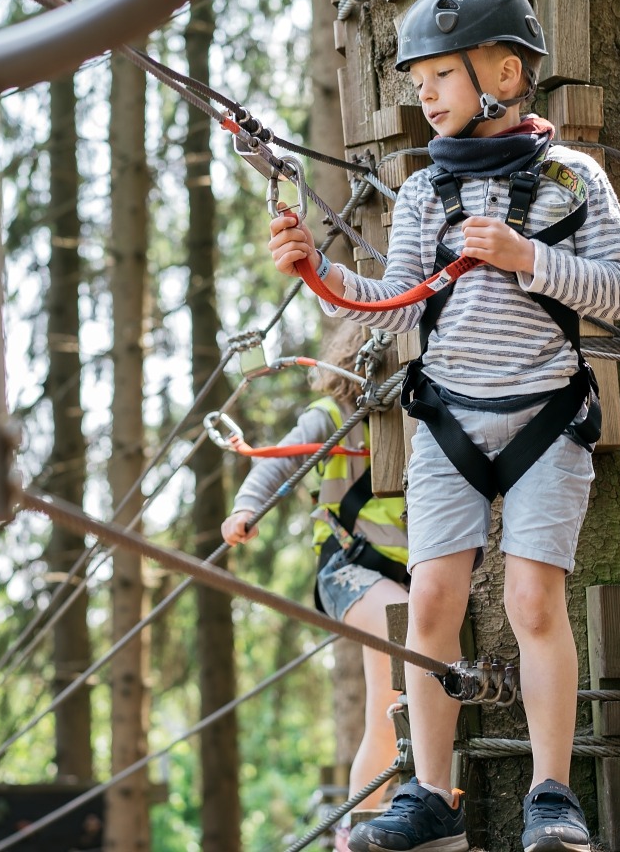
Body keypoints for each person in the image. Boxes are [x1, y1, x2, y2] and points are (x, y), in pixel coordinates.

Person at [268, 0, 620, 852]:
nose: (423, 95)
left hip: (546, 414)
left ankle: (553, 793)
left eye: (438, 76)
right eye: (418, 80)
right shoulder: (422, 192)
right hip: (449, 422)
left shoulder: (573, 179)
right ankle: (431, 791)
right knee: (431, 598)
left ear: (504, 75)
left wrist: (526, 258)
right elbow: (396, 306)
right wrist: (320, 279)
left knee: (533, 600)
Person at [221, 319, 410, 847]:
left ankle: (365, 824)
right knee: (404, 624)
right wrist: (245, 509)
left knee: (390, 711)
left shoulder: (418, 424)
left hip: (403, 580)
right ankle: (359, 825)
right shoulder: (331, 417)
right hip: (350, 572)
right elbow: (275, 465)